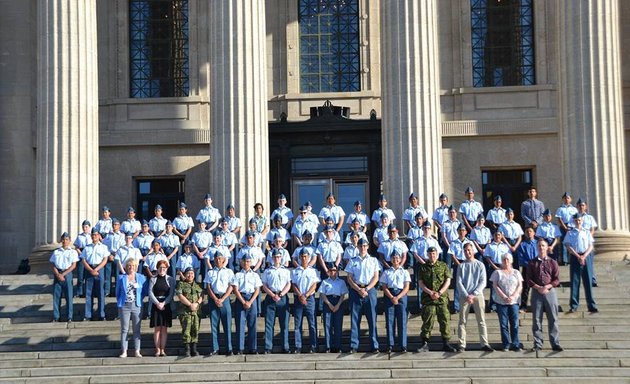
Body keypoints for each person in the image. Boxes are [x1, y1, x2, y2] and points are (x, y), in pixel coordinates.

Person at [417, 246, 456, 353]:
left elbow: (448, 280)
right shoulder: (423, 267)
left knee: (444, 320)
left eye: (434, 254)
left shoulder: (443, 266)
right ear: (427, 254)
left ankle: (446, 342)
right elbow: (420, 283)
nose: (432, 255)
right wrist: (430, 292)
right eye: (430, 254)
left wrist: (439, 293)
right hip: (428, 299)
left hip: (441, 298)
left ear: (437, 254)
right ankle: (425, 343)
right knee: (427, 320)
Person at [527, 239, 563, 352]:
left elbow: (557, 279)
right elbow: (528, 279)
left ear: (547, 247)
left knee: (553, 318)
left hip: (550, 291)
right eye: (539, 246)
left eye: (543, 246)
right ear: (537, 248)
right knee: (536, 319)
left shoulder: (553, 262)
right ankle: (538, 343)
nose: (541, 248)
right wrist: (538, 287)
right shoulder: (532, 263)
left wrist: (547, 287)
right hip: (536, 292)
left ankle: (555, 343)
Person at [345, 238, 380, 353]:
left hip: (370, 291)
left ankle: (374, 345)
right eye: (360, 246)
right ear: (358, 247)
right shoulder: (353, 260)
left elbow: (376, 277)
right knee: (355, 319)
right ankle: (354, 345)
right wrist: (359, 289)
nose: (363, 248)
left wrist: (367, 288)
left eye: (365, 245)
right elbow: (349, 278)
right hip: (356, 291)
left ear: (368, 246)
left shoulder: (374, 260)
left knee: (372, 319)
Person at [455, 243, 491, 352]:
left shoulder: (480, 264)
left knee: (481, 320)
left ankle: (484, 343)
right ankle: (462, 344)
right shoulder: (461, 266)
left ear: (473, 250)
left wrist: (474, 293)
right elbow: (459, 282)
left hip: (477, 295)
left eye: (469, 250)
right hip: (464, 296)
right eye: (465, 250)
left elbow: (483, 281)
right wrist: (467, 295)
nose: (467, 252)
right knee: (462, 321)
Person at [564, 214, 598, 313]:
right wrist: (578, 256)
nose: (578, 222)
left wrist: (584, 256)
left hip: (586, 257)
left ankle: (591, 305)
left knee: (588, 282)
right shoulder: (570, 233)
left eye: (579, 220)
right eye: (576, 220)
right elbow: (568, 246)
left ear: (582, 221)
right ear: (573, 221)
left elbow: (590, 246)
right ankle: (574, 305)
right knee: (575, 282)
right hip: (575, 257)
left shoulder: (586, 232)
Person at [490, 253, 523, 352]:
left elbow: (520, 285)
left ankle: (515, 344)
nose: (506, 261)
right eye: (504, 259)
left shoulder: (516, 272)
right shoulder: (497, 273)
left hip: (514, 302)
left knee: (515, 324)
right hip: (501, 302)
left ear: (511, 261)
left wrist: (513, 296)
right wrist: (504, 296)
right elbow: (495, 286)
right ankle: (506, 344)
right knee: (503, 324)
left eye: (508, 259)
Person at [261, 249, 292, 354]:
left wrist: (281, 294)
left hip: (282, 296)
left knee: (284, 324)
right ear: (272, 258)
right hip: (271, 297)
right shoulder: (267, 271)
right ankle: (268, 347)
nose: (277, 259)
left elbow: (288, 284)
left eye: (278, 257)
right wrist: (272, 294)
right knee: (269, 324)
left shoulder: (286, 271)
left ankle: (285, 346)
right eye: (275, 257)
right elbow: (264, 285)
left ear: (281, 258)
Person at [204, 250, 234, 356]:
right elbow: (208, 287)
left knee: (227, 324)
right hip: (213, 299)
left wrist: (223, 299)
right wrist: (215, 299)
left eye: (220, 258)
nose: (218, 260)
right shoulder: (210, 272)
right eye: (216, 258)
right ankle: (215, 348)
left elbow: (231, 286)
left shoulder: (229, 272)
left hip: (224, 299)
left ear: (224, 259)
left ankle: (229, 348)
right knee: (214, 325)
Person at [232, 254, 263, 354]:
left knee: (252, 324)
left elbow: (257, 290)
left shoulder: (255, 275)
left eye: (248, 261)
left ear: (251, 263)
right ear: (241, 262)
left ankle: (252, 347)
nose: (246, 263)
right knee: (240, 324)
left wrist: (250, 301)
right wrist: (243, 301)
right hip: (241, 298)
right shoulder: (237, 275)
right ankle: (240, 348)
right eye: (244, 261)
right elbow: (235, 289)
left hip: (251, 299)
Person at [380, 252, 410, 353]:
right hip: (390, 295)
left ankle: (403, 345)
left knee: (402, 321)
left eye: (397, 258)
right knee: (390, 321)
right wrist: (392, 297)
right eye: (393, 258)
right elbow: (384, 286)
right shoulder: (386, 272)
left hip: (401, 295)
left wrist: (398, 297)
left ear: (400, 259)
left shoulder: (405, 272)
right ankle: (390, 344)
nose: (395, 260)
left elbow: (406, 287)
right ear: (390, 260)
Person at [291, 248, 321, 353]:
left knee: (312, 323)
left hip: (310, 298)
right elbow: (293, 285)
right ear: (299, 258)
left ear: (309, 258)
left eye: (306, 256)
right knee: (297, 323)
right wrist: (300, 296)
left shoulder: (313, 271)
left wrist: (306, 295)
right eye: (302, 256)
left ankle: (313, 346)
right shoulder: (295, 271)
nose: (304, 258)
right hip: (298, 298)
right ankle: (298, 346)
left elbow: (314, 285)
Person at [116, 257, 146, 358]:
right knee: (124, 329)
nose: (131, 267)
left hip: (136, 305)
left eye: (133, 266)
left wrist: (139, 299)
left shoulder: (141, 277)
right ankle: (124, 351)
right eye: (129, 266)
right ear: (126, 267)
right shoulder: (121, 278)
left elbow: (144, 291)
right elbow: (118, 292)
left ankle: (137, 350)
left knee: (136, 329)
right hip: (124, 305)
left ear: (136, 267)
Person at [81, 229, 109, 321]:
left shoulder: (103, 247)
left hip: (99, 269)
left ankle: (102, 314)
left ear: (99, 236)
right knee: (89, 294)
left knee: (101, 293)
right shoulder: (87, 247)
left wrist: (96, 269)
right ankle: (88, 315)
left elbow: (105, 260)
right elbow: (83, 260)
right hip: (89, 270)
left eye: (96, 235)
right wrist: (91, 269)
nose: (94, 237)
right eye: (93, 235)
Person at [318, 262, 348, 353]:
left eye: (334, 270)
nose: (333, 272)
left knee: (338, 325)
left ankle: (338, 346)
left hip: (338, 302)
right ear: (328, 272)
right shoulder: (325, 281)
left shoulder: (341, 282)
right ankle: (328, 346)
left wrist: (338, 305)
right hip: (328, 302)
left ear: (337, 271)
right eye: (331, 270)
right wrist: (329, 304)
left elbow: (343, 295)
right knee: (327, 325)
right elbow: (322, 294)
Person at [148, 260, 175, 357]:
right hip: (156, 305)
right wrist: (157, 303)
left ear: (167, 269)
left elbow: (171, 293)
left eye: (164, 268)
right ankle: (157, 349)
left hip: (166, 305)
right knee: (157, 329)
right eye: (160, 268)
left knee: (164, 329)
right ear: (157, 268)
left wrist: (164, 303)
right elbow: (150, 292)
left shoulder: (170, 279)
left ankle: (163, 349)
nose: (162, 269)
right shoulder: (153, 279)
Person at [50, 232, 78, 322]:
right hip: (58, 274)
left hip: (67, 274)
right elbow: (53, 264)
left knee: (69, 297)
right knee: (56, 297)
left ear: (69, 241)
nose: (65, 241)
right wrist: (58, 274)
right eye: (63, 239)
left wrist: (63, 274)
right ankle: (56, 316)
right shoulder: (56, 251)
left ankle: (69, 317)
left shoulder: (73, 252)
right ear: (61, 240)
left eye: (67, 239)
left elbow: (74, 265)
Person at [176, 267, 203, 357]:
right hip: (185, 312)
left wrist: (197, 303)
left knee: (196, 329)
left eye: (192, 273)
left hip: (196, 311)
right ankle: (187, 349)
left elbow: (202, 296)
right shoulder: (181, 284)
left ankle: (194, 349)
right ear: (184, 274)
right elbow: (180, 296)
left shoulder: (198, 285)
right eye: (188, 273)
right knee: (186, 330)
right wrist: (190, 305)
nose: (190, 275)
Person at [448, 224, 472, 313]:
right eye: (460, 230)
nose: (461, 232)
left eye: (463, 230)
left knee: (468, 284)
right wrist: (459, 264)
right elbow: (452, 254)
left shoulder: (470, 242)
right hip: (457, 264)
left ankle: (468, 305)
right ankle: (457, 307)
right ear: (457, 232)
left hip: (468, 264)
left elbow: (472, 253)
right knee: (458, 285)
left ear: (466, 232)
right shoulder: (453, 242)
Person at [516, 226, 537, 310]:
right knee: (525, 287)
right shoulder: (522, 245)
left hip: (537, 268)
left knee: (538, 287)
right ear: (525, 233)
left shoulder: (538, 243)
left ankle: (538, 306)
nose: (529, 233)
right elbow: (521, 258)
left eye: (531, 231)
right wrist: (529, 264)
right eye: (527, 231)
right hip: (527, 268)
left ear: (534, 233)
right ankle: (523, 306)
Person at [103, 218, 125, 298]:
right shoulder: (108, 235)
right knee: (107, 275)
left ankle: (117, 291)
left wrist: (116, 255)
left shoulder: (122, 236)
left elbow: (122, 247)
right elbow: (104, 246)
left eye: (116, 225)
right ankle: (107, 291)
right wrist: (109, 255)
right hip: (109, 256)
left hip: (117, 256)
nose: (114, 226)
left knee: (117, 275)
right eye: (113, 225)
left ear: (119, 226)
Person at [555, 192, 578, 265]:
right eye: (565, 198)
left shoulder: (574, 209)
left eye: (568, 198)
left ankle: (572, 258)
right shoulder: (560, 209)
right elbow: (559, 219)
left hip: (572, 226)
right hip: (563, 226)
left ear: (570, 199)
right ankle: (564, 260)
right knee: (564, 243)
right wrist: (564, 227)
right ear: (563, 199)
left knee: (572, 243)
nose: (566, 199)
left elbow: (576, 218)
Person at [73, 220, 92, 297]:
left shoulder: (92, 236)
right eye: (83, 227)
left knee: (88, 275)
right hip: (81, 255)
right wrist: (81, 254)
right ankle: (79, 292)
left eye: (86, 227)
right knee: (80, 275)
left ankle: (87, 292)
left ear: (89, 227)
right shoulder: (79, 236)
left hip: (89, 256)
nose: (85, 228)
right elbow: (76, 247)